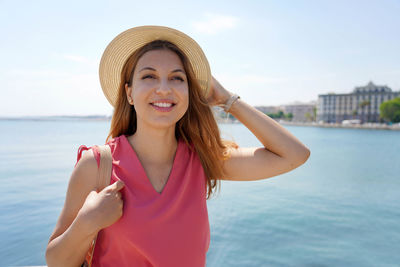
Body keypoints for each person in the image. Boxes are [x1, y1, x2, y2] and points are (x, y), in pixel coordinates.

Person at [45, 25, 310, 267]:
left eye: (177, 78)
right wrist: (87, 222)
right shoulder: (96, 165)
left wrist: (228, 100)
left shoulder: (202, 159)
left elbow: (294, 155)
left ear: (188, 93)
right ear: (129, 93)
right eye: (149, 76)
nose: (164, 88)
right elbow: (56, 261)